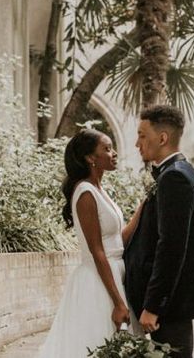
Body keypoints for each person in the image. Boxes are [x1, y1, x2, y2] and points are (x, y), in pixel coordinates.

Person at [38, 128, 143, 357]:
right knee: (98, 345)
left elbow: (116, 242)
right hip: (98, 281)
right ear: (90, 158)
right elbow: (97, 251)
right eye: (107, 149)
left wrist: (141, 210)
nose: (113, 153)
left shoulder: (100, 189)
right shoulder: (85, 193)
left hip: (116, 273)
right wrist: (118, 302)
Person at [123, 104, 194, 358]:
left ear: (162, 138)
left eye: (142, 135)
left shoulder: (175, 178)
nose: (137, 143)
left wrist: (153, 306)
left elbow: (171, 248)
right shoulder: (177, 173)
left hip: (170, 306)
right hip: (172, 304)